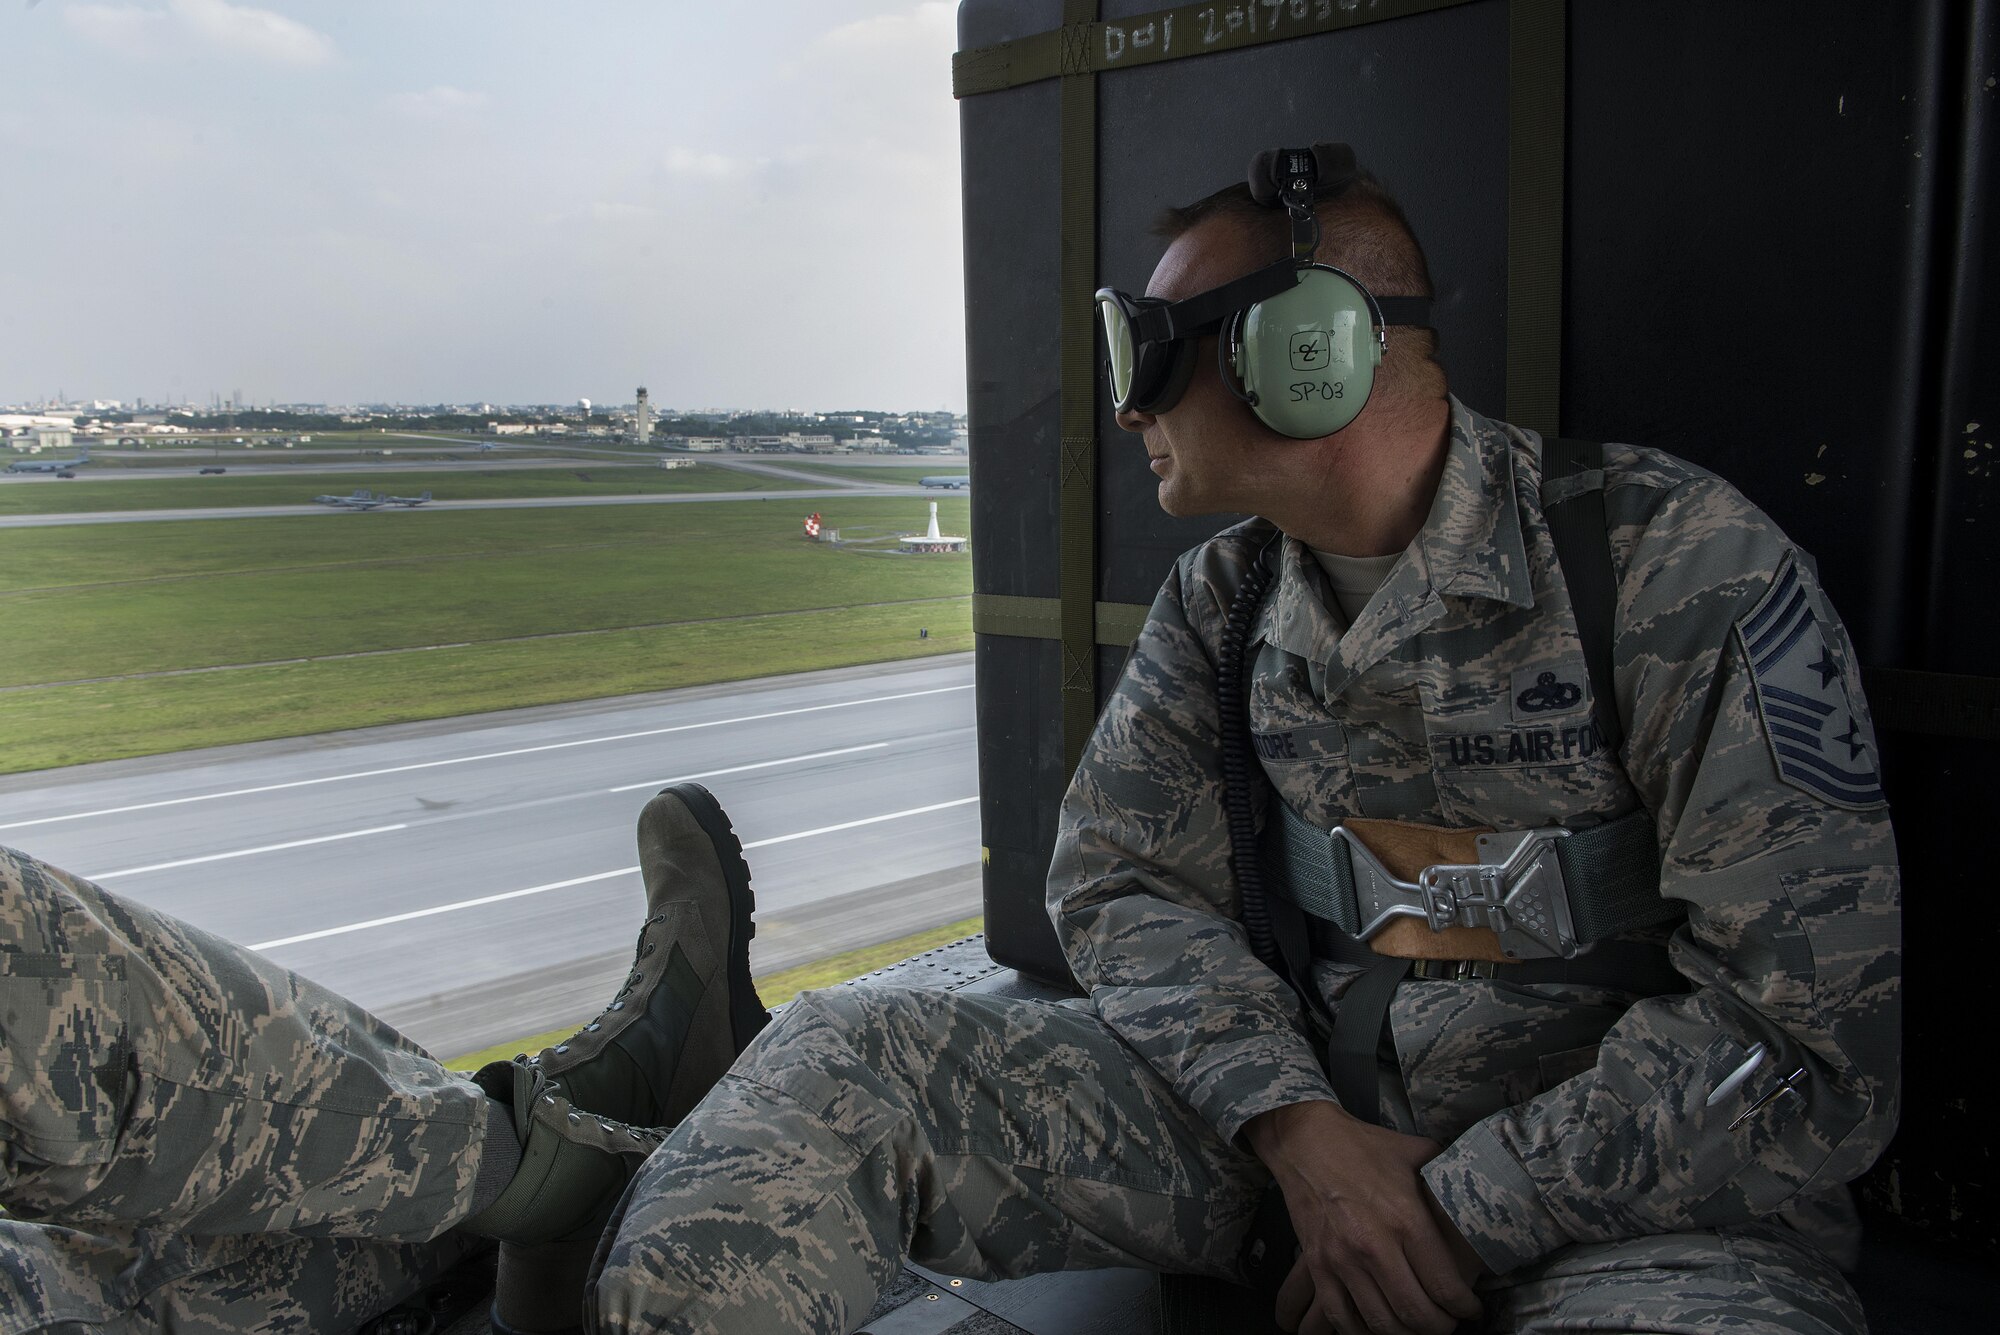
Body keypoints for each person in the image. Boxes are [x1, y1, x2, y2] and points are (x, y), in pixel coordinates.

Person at [0, 153, 1900, 1335]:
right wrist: (1303, 1135)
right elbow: (1117, 883)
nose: (1126, 399)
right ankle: (566, 1186)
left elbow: (1807, 1046)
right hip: (1305, 1155)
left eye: (1157, 348)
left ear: (1302, 354)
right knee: (841, 1071)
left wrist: (1447, 1209)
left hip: (1643, 1221)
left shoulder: (1674, 570)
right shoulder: (1231, 604)